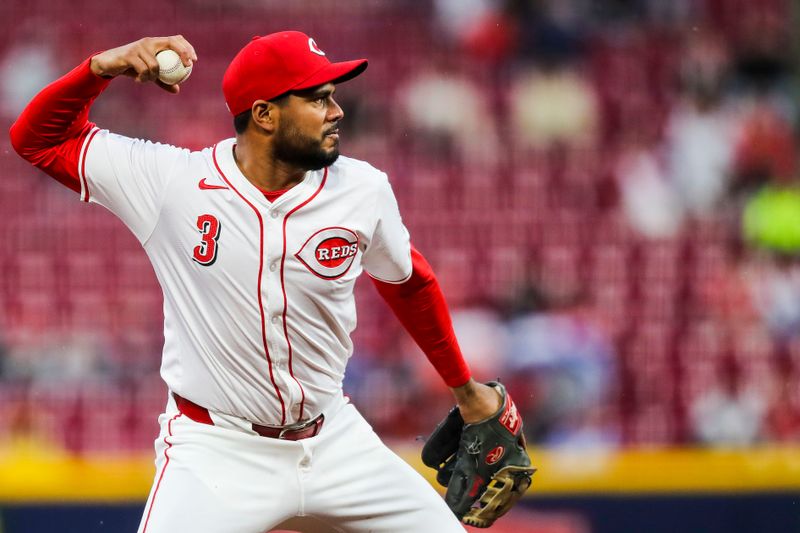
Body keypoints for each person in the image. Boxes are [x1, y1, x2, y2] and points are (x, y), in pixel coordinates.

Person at [9, 32, 506, 532]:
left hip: (334, 439)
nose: (335, 111)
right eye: (316, 99)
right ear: (265, 115)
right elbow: (37, 139)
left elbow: (408, 283)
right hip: (217, 451)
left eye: (332, 96)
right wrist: (101, 67)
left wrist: (464, 388)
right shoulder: (172, 183)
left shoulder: (363, 188)